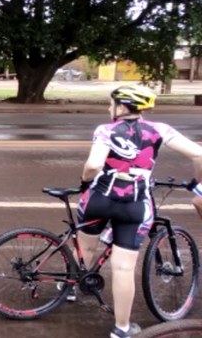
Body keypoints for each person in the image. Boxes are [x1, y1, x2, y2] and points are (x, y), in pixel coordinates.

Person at [77, 85, 202, 338]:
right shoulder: (160, 130)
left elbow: (93, 165)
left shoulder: (106, 130)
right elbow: (199, 153)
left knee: (86, 248)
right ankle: (121, 329)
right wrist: (198, 184)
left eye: (111, 103)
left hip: (99, 199)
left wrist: (85, 180)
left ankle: (70, 286)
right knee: (123, 269)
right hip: (135, 205)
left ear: (122, 106)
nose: (108, 107)